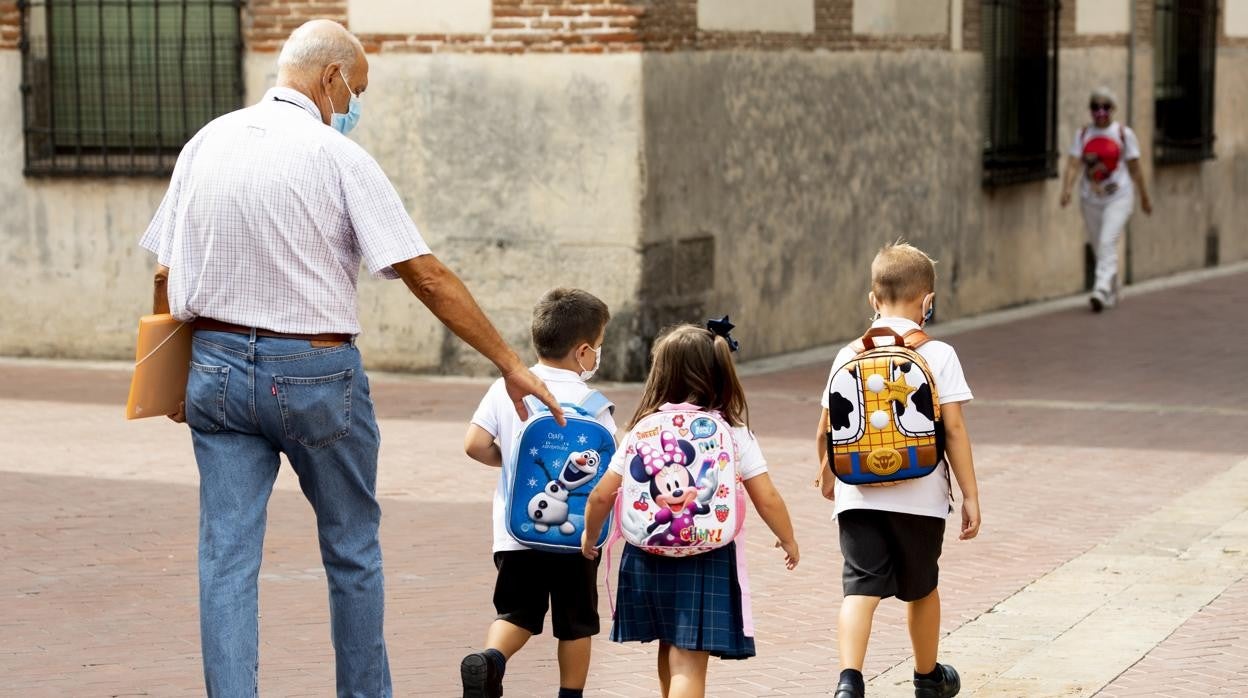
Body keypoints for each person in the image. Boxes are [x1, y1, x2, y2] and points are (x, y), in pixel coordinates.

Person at [139, 20, 563, 697]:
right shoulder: (336, 157)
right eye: (356, 90)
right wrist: (510, 362)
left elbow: (165, 273)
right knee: (352, 549)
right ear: (331, 78)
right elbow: (423, 274)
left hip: (213, 369)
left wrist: (167, 376)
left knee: (225, 558)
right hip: (312, 373)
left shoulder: (205, 143)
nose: (354, 106)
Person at [580, 323, 799, 698]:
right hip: (707, 553)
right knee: (688, 660)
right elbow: (767, 497)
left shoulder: (641, 429)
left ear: (660, 373)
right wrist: (787, 537)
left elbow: (601, 495)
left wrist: (590, 535)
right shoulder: (732, 430)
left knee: (670, 646)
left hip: (647, 553)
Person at [815, 243, 981, 698]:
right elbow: (955, 431)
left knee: (859, 589)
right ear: (927, 301)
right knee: (921, 588)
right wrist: (970, 494)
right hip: (921, 496)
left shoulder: (846, 354)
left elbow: (827, 426)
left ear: (873, 300)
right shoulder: (939, 354)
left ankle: (849, 681)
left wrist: (827, 471)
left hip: (858, 495)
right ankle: (927, 677)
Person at [460, 288, 615, 698]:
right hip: (575, 539)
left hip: (516, 532)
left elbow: (474, 444)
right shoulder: (593, 404)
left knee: (516, 612)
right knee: (576, 622)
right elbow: (609, 472)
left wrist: (509, 461)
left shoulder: (507, 386)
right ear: (583, 352)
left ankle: (490, 662)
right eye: (598, 348)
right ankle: (570, 696)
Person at [1060, 86, 1153, 312]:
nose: (1100, 112)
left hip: (1118, 197)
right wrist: (1067, 189)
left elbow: (1135, 168)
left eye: (1105, 107)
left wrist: (1144, 196)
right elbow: (1073, 164)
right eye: (1095, 107)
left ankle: (1100, 289)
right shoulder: (1083, 135)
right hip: (1090, 199)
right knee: (1098, 245)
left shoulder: (1124, 134)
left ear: (1113, 109)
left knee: (1106, 241)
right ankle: (1112, 285)